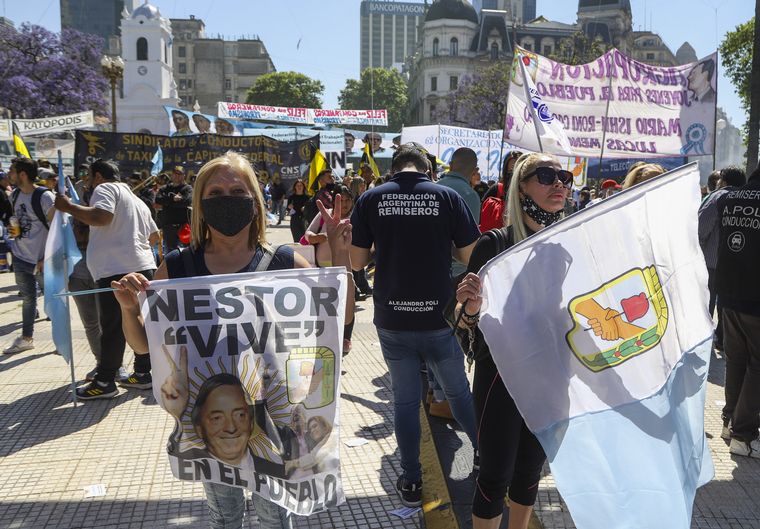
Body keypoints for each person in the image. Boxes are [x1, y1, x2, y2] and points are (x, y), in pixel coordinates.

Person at [109, 151, 354, 528]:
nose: (227, 198)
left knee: (275, 515)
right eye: (216, 191)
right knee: (224, 516)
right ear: (201, 205)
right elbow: (144, 346)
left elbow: (337, 320)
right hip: (211, 424)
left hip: (274, 424)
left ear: (254, 202)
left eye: (237, 190)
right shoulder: (177, 267)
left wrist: (340, 258)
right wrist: (129, 309)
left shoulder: (284, 264)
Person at [349, 144, 479, 508]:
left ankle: (410, 479)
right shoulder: (447, 197)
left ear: (394, 171)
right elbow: (470, 255)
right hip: (438, 316)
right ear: (429, 172)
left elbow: (356, 262)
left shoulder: (371, 199)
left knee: (406, 402)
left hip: (392, 318)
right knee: (458, 393)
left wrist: (385, 246)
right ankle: (484, 456)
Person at [455, 153, 572, 529]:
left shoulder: (568, 246)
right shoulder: (494, 244)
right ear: (521, 186)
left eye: (564, 176)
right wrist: (469, 306)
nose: (559, 184)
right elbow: (464, 322)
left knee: (530, 471)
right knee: (494, 475)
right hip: (501, 378)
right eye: (546, 176)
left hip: (551, 377)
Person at [54, 159, 159, 399]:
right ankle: (143, 374)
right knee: (139, 321)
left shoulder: (105, 189)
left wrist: (68, 206)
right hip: (142, 267)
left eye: (89, 178)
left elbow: (102, 217)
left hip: (116, 271)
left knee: (113, 327)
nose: (88, 184)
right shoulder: (135, 198)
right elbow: (154, 235)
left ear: (98, 176)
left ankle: (104, 381)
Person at [433, 147, 482, 419]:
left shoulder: (435, 187)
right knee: (450, 337)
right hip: (456, 273)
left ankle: (434, 391)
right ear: (473, 169)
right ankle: (444, 399)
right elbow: (468, 245)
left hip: (432, 271)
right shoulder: (468, 195)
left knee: (436, 332)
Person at [715, 164, 760, 458]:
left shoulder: (729, 197)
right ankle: (743, 434)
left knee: (736, 360)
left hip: (729, 291)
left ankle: (730, 424)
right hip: (756, 296)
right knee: (757, 365)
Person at [3, 158, 54, 354]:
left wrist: (46, 258)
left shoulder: (44, 196)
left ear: (23, 174)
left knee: (53, 300)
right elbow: (16, 221)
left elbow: (58, 228)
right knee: (28, 299)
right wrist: (13, 229)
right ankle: (26, 338)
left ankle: (61, 339)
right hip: (20, 257)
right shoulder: (14, 195)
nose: (10, 174)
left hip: (42, 260)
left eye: (13, 171)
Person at [304, 185, 356, 354]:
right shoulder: (323, 215)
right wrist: (324, 237)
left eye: (348, 199)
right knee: (324, 306)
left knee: (346, 302)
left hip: (346, 269)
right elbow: (308, 235)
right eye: (341, 199)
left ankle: (345, 337)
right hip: (321, 270)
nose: (345, 203)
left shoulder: (356, 218)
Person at [699, 166, 745, 354]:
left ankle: (703, 340)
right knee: (726, 304)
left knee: (705, 303)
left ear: (723, 181)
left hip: (710, 263)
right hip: (737, 264)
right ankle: (723, 340)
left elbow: (700, 229)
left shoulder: (717, 198)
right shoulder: (747, 199)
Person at [155, 166, 193, 254]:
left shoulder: (187, 188)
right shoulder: (165, 188)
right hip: (168, 227)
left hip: (183, 227)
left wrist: (168, 202)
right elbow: (158, 199)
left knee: (186, 253)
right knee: (170, 253)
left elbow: (187, 201)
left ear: (184, 176)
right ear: (172, 175)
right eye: (175, 174)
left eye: (179, 174)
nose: (177, 176)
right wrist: (173, 199)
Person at [286, 178, 309, 243]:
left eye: (301, 185)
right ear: (295, 187)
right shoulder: (291, 197)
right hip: (294, 220)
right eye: (297, 185)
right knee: (296, 240)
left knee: (304, 239)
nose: (299, 187)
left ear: (303, 187)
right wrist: (289, 207)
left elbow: (310, 209)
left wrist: (306, 208)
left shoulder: (307, 197)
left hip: (304, 220)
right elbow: (287, 209)